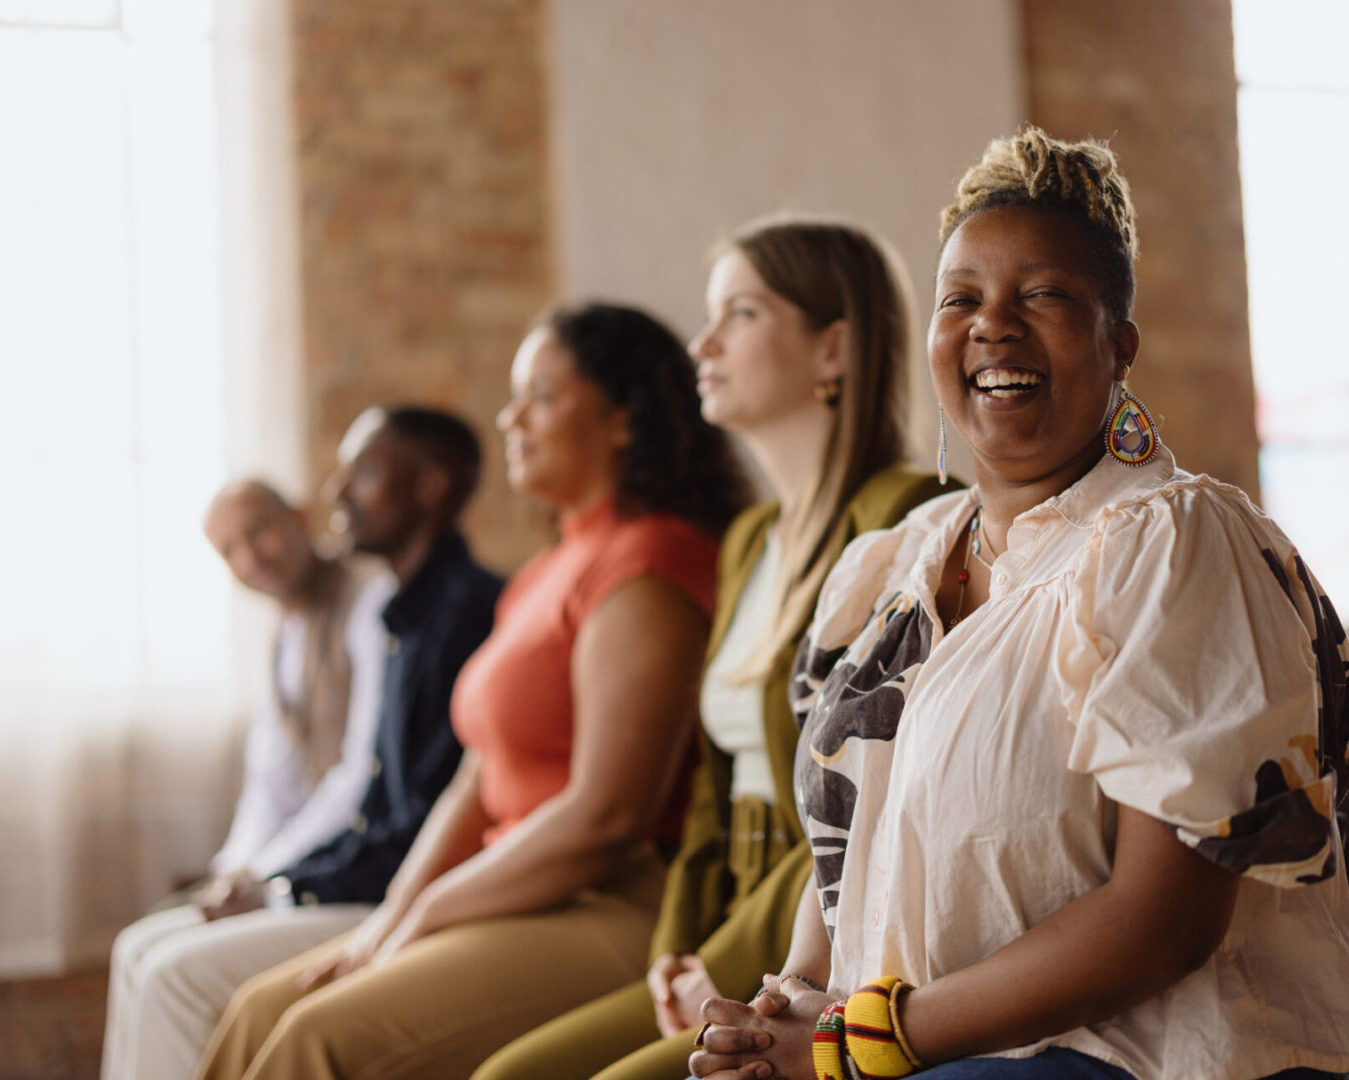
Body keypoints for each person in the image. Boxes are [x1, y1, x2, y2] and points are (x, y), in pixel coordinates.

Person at [688, 127, 1349, 1080]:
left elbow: (1161, 925)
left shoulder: (1170, 544)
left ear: (1118, 344)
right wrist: (797, 994)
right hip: (917, 1050)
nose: (991, 325)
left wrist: (855, 1045)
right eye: (960, 299)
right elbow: (858, 832)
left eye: (1042, 295)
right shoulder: (895, 566)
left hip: (1143, 1058)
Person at [196, 302, 747, 1080]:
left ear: (624, 419)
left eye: (542, 397)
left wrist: (425, 914)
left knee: (315, 1038)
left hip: (613, 903)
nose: (510, 416)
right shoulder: (541, 573)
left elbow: (606, 816)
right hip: (517, 892)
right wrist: (390, 918)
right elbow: (477, 777)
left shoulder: (648, 565)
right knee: (259, 1006)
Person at [473, 218, 954, 1080]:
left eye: (740, 314)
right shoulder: (749, 539)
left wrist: (729, 967)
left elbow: (865, 795)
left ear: (833, 349)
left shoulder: (906, 512)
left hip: (826, 921)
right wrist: (674, 950)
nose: (703, 343)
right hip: (720, 916)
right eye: (710, 316)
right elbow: (711, 783)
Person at [102, 406, 503, 1080]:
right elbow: (273, 779)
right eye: (228, 550)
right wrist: (236, 871)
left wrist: (277, 882)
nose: (337, 492)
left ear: (295, 520)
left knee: (173, 974)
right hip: (353, 868)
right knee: (136, 950)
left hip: (373, 878)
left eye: (256, 531)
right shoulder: (322, 626)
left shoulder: (391, 609)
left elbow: (367, 787)